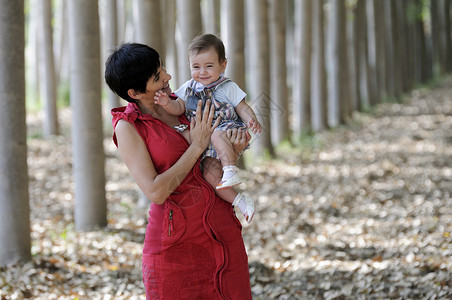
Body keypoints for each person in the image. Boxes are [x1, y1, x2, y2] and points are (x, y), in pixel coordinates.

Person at [105, 43, 253, 299]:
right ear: (135, 92)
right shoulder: (128, 128)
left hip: (223, 234)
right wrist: (196, 145)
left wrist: (234, 151)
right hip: (175, 248)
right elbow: (155, 191)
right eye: (157, 77)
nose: (168, 77)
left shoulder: (186, 101)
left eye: (162, 68)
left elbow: (213, 158)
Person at [154, 33, 261, 223]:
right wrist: (165, 103)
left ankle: (231, 169)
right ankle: (241, 201)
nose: (202, 72)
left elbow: (242, 106)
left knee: (218, 135)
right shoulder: (188, 88)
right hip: (207, 144)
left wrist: (251, 120)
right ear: (189, 66)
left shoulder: (227, 86)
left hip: (226, 127)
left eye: (209, 66)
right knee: (210, 177)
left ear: (223, 65)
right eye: (196, 67)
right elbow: (179, 107)